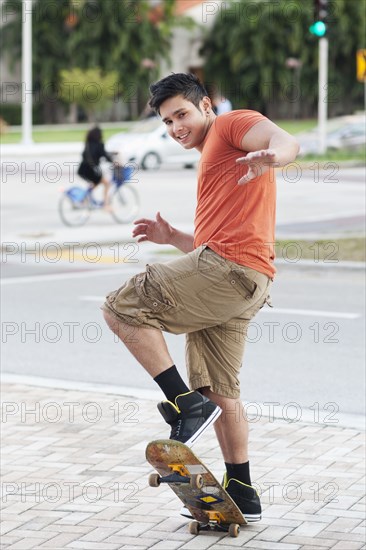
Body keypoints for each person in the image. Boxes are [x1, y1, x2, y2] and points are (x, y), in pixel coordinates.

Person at [102, 73, 299, 521]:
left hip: (228, 272)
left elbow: (284, 139)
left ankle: (184, 405)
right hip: (242, 279)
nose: (176, 128)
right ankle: (242, 486)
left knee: (122, 306)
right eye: (168, 121)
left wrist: (275, 157)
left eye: (182, 114)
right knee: (220, 389)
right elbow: (216, 244)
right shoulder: (212, 154)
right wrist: (173, 237)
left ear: (206, 105)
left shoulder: (230, 126)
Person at [77, 126, 114, 210]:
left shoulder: (88, 144)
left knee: (95, 183)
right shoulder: (99, 144)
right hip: (91, 170)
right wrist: (113, 162)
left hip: (82, 169)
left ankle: (85, 198)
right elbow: (105, 156)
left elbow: (83, 155)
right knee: (107, 183)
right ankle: (105, 205)